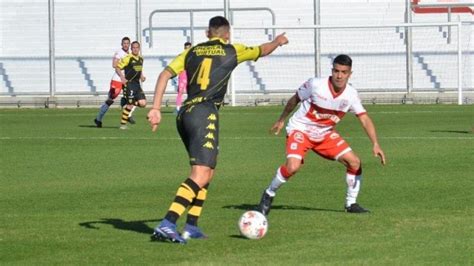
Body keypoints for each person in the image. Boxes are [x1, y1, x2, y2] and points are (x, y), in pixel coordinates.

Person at [147, 16, 288, 244]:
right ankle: (167, 223)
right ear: (227, 34)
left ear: (207, 33)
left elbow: (164, 74)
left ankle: (191, 225)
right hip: (204, 113)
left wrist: (155, 108)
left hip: (185, 114)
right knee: (201, 172)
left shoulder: (191, 51)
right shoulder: (232, 49)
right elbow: (263, 49)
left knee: (208, 170)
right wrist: (278, 41)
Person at [257, 54, 386, 216]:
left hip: (324, 135)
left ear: (350, 74)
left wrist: (375, 143)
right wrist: (281, 119)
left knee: (354, 162)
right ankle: (269, 193)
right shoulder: (316, 85)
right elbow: (295, 99)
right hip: (300, 130)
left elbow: (364, 118)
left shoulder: (351, 94)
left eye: (344, 72)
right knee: (293, 167)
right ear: (332, 70)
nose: (339, 76)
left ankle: (351, 203)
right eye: (336, 71)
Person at [94, 37, 136, 127]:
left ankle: (128, 114)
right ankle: (98, 119)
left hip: (127, 79)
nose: (126, 45)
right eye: (124, 43)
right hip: (117, 79)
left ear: (129, 44)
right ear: (121, 44)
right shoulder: (119, 53)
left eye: (127, 43)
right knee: (110, 100)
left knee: (135, 97)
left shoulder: (131, 54)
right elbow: (114, 65)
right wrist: (123, 69)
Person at [115, 41, 146, 129]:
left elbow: (139, 70)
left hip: (137, 84)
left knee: (143, 103)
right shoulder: (127, 58)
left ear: (139, 49)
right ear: (131, 49)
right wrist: (122, 77)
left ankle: (125, 101)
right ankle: (123, 124)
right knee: (130, 105)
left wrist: (142, 76)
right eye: (133, 48)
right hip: (129, 84)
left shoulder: (141, 58)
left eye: (137, 47)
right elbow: (117, 68)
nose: (135, 49)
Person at [175, 42, 192, 113]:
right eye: (186, 48)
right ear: (184, 48)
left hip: (190, 75)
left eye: (189, 48)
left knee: (191, 92)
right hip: (182, 75)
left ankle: (190, 107)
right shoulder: (180, 56)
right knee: (180, 92)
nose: (187, 50)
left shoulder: (193, 56)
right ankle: (178, 108)